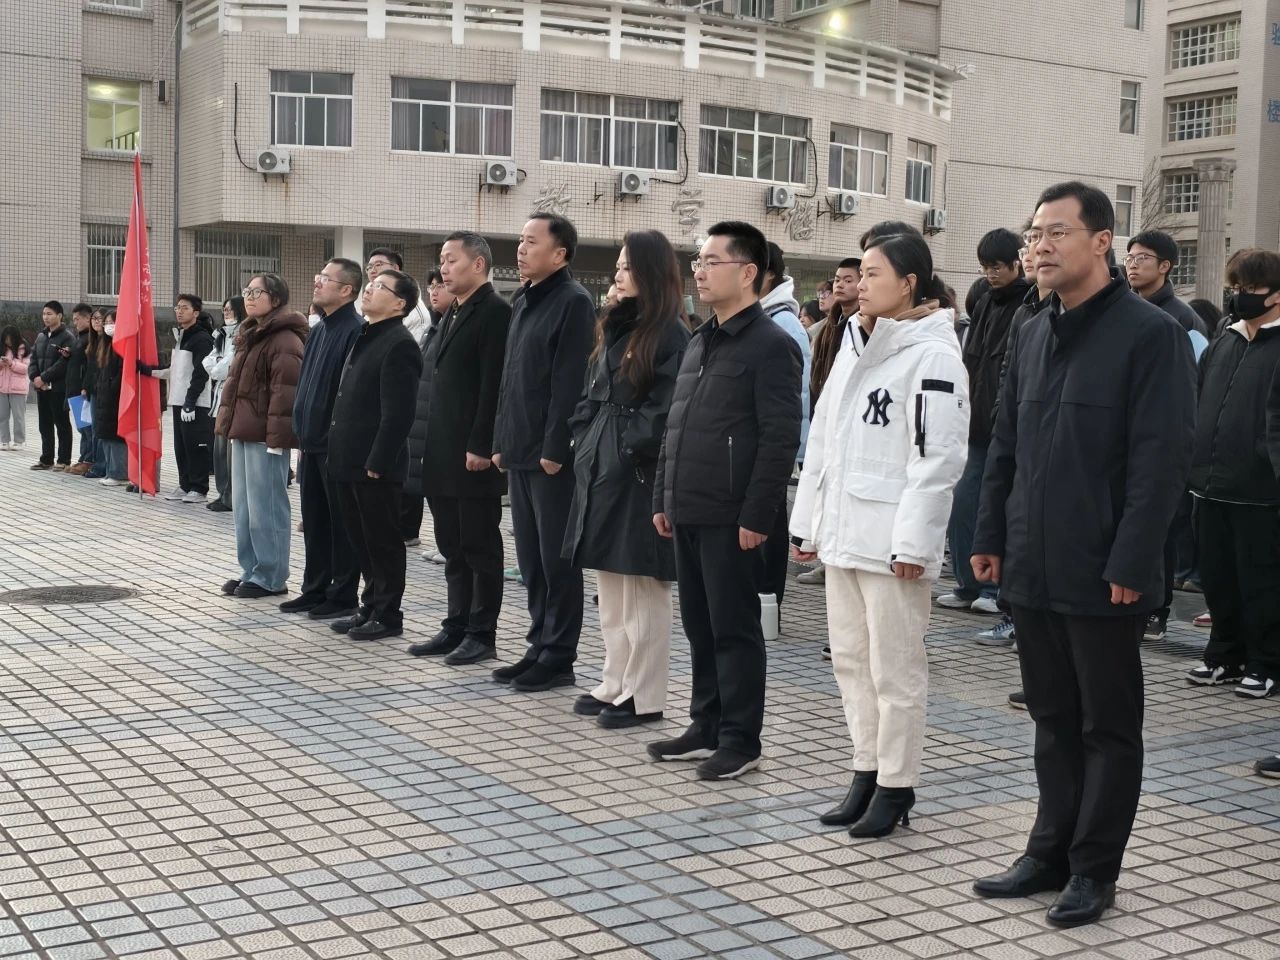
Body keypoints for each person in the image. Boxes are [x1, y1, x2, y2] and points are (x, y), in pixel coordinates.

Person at [971, 182, 1195, 927]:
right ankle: (1048, 852)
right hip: (1033, 562)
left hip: (1104, 569)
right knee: (1052, 718)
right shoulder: (1034, 330)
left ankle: (1095, 869)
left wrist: (1133, 561)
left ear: (1102, 242)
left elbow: (1160, 462)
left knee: (1107, 726)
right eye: (1034, 233)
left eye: (1057, 232)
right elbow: (1005, 445)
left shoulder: (1150, 335)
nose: (1039, 246)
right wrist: (991, 536)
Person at [792, 232, 968, 836]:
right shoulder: (853, 340)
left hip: (892, 541)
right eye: (859, 274)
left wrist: (914, 544)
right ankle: (865, 771)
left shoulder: (933, 354)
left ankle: (897, 784)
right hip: (845, 531)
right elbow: (822, 440)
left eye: (872, 274)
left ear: (909, 283)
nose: (859, 285)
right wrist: (807, 524)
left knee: (895, 670)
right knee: (851, 661)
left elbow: (938, 458)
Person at [648, 220, 802, 781]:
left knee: (734, 629)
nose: (699, 271)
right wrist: (664, 496)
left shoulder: (772, 345)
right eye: (698, 261)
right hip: (688, 507)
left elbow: (780, 438)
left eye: (712, 261)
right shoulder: (700, 339)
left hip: (733, 515)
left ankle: (741, 739)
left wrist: (758, 513)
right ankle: (706, 723)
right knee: (699, 624)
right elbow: (676, 426)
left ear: (748, 272)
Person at [563, 230, 689, 729]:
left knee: (642, 591)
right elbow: (590, 394)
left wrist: (626, 446)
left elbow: (665, 407)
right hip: (601, 465)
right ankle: (614, 680)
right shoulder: (616, 325)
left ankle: (644, 695)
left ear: (651, 273)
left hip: (636, 473)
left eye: (627, 267)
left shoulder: (669, 333)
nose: (618, 275)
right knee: (610, 588)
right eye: (617, 266)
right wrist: (585, 438)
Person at [490, 214, 596, 693]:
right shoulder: (523, 299)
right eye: (520, 240)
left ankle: (558, 656)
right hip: (519, 449)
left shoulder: (573, 302)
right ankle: (537, 645)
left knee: (557, 562)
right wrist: (500, 441)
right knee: (531, 560)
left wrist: (556, 447)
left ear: (560, 254)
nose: (521, 249)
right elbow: (510, 378)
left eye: (531, 242)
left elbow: (569, 381)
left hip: (550, 458)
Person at [407, 233, 510, 665]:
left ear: (478, 265)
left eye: (451, 260)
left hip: (473, 455)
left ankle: (482, 633)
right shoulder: (452, 311)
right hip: (443, 450)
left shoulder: (495, 312)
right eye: (442, 261)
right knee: (452, 545)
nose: (444, 269)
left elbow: (493, 384)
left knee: (479, 546)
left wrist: (482, 444)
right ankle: (456, 624)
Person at [1185, 249, 1280, 699]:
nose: (1240, 296)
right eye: (1236, 287)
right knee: (1218, 578)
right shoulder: (1225, 339)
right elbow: (1198, 400)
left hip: (1261, 491)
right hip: (1209, 483)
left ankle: (1266, 663)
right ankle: (1224, 655)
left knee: (1261, 583)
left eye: (1250, 288)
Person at [326, 269, 424, 640]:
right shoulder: (366, 335)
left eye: (379, 287)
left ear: (399, 303)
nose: (369, 289)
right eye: (370, 284)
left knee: (382, 542)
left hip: (374, 465)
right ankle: (369, 606)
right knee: (361, 540)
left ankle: (388, 614)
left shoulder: (399, 344)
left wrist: (379, 461)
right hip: (348, 458)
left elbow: (398, 413)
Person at [937, 229, 1030, 616]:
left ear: (1016, 264)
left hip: (1005, 426)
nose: (991, 274)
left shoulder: (1028, 302)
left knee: (997, 508)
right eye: (985, 267)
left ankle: (993, 590)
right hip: (973, 424)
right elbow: (971, 361)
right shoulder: (986, 303)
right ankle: (967, 583)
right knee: (963, 503)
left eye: (997, 267)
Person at [215, 274, 308, 599]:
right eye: (248, 292)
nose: (250, 297)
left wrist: (277, 440)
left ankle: (271, 576)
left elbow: (286, 395)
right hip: (243, 430)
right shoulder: (251, 334)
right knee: (244, 509)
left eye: (258, 292)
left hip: (265, 438)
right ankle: (251, 570)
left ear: (276, 299)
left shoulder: (285, 340)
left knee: (266, 507)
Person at [281, 259, 365, 620]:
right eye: (319, 276)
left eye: (326, 279)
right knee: (314, 520)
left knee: (340, 523)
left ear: (347, 290)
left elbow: (349, 393)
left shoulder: (354, 331)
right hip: (310, 441)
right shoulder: (319, 330)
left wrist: (334, 435)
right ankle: (314, 588)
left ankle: (342, 594)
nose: (317, 283)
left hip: (335, 445)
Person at [758, 242, 812, 615]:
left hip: (771, 447)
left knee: (769, 527)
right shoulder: (764, 317)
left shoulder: (784, 323)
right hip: (757, 445)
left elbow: (795, 396)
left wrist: (789, 449)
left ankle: (769, 605)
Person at [139, 295, 215, 502]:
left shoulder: (202, 339)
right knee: (181, 446)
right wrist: (149, 371)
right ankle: (185, 484)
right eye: (177, 307)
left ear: (196, 313)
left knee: (195, 445)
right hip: (179, 400)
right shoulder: (182, 336)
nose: (179, 311)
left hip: (196, 403)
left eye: (185, 308)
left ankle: (199, 488)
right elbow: (175, 370)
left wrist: (190, 402)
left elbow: (201, 373)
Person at [1124, 231, 1210, 338]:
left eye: (1141, 258)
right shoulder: (1122, 310)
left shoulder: (1185, 319)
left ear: (1164, 266)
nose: (1132, 265)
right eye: (1129, 258)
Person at [204, 297, 245, 512]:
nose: (226, 313)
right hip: (219, 399)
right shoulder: (220, 335)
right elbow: (208, 361)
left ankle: (231, 496)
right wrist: (218, 365)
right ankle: (223, 493)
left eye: (230, 309)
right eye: (224, 310)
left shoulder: (243, 334)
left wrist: (218, 365)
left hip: (233, 399)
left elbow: (227, 366)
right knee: (219, 451)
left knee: (229, 452)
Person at [28, 300, 75, 471]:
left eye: (49, 314)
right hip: (42, 388)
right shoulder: (41, 336)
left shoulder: (68, 337)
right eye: (44, 314)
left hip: (58, 388)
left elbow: (63, 363)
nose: (45, 317)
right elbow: (33, 359)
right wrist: (35, 377)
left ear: (59, 315)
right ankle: (46, 459)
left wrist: (44, 377)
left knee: (61, 424)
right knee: (44, 424)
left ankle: (64, 460)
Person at [91, 310, 129, 486]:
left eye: (111, 322)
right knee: (105, 434)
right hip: (104, 395)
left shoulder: (124, 345)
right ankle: (110, 471)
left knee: (116, 435)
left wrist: (112, 387)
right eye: (106, 323)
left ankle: (119, 473)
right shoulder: (105, 345)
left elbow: (123, 371)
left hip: (115, 396)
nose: (108, 326)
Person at [64, 303, 97, 475]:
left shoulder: (91, 339)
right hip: (74, 389)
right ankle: (84, 457)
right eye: (74, 319)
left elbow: (91, 367)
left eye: (78, 319)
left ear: (88, 318)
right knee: (82, 428)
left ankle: (89, 460)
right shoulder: (80, 338)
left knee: (87, 428)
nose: (75, 323)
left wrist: (85, 386)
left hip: (82, 391)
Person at [0, 326, 28, 451]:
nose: (7, 342)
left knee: (18, 416)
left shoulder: (24, 349)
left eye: (9, 339)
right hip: (2, 387)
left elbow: (26, 368)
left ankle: (19, 441)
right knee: (2, 416)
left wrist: (11, 363)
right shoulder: (2, 348)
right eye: (5, 339)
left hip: (18, 389)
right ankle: (4, 441)